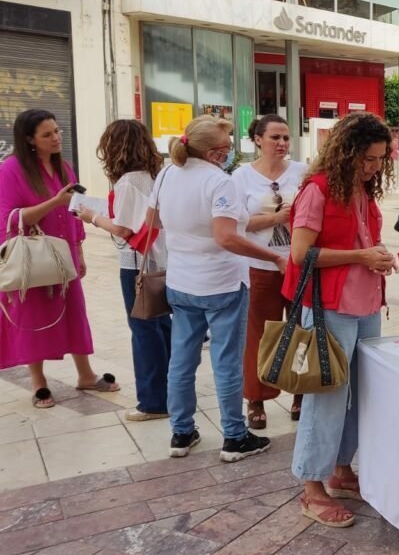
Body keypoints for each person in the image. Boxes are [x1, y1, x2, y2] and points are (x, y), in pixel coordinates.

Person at [149, 115, 285, 461]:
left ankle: (181, 433)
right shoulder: (219, 182)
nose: (228, 155)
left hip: (180, 281)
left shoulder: (166, 174)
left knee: (181, 359)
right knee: (226, 362)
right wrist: (272, 256)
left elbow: (151, 222)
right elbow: (226, 237)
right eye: (225, 149)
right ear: (213, 152)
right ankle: (235, 437)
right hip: (221, 283)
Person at [284, 112, 396, 529]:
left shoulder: (360, 190)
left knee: (360, 393)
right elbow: (300, 254)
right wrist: (361, 257)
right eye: (367, 158)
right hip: (330, 307)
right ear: (347, 152)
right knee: (327, 395)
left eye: (381, 159)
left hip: (364, 305)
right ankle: (311, 487)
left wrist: (378, 256)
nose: (374, 166)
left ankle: (340, 467)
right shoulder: (317, 191)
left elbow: (359, 242)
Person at [0, 109, 119, 408]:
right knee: (32, 317)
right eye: (47, 134)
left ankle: (86, 374)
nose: (56, 138)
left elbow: (74, 212)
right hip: (31, 260)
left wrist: (79, 250)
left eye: (57, 131)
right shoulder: (11, 170)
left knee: (74, 313)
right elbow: (7, 219)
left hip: (63, 256)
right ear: (29, 139)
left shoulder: (64, 167)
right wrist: (54, 201)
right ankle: (39, 383)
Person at [75, 119, 169, 421]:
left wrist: (90, 217)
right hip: (161, 261)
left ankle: (153, 402)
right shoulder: (157, 175)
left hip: (136, 265)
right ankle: (169, 394)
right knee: (161, 327)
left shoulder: (129, 181)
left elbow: (123, 229)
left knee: (143, 331)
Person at [233, 114, 307, 429]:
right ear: (258, 140)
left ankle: (302, 394)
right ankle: (257, 399)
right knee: (259, 335)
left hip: (298, 264)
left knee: (302, 330)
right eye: (275, 137)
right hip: (260, 264)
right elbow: (235, 223)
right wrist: (274, 219)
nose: (281, 143)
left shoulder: (303, 172)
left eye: (286, 138)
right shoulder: (241, 177)